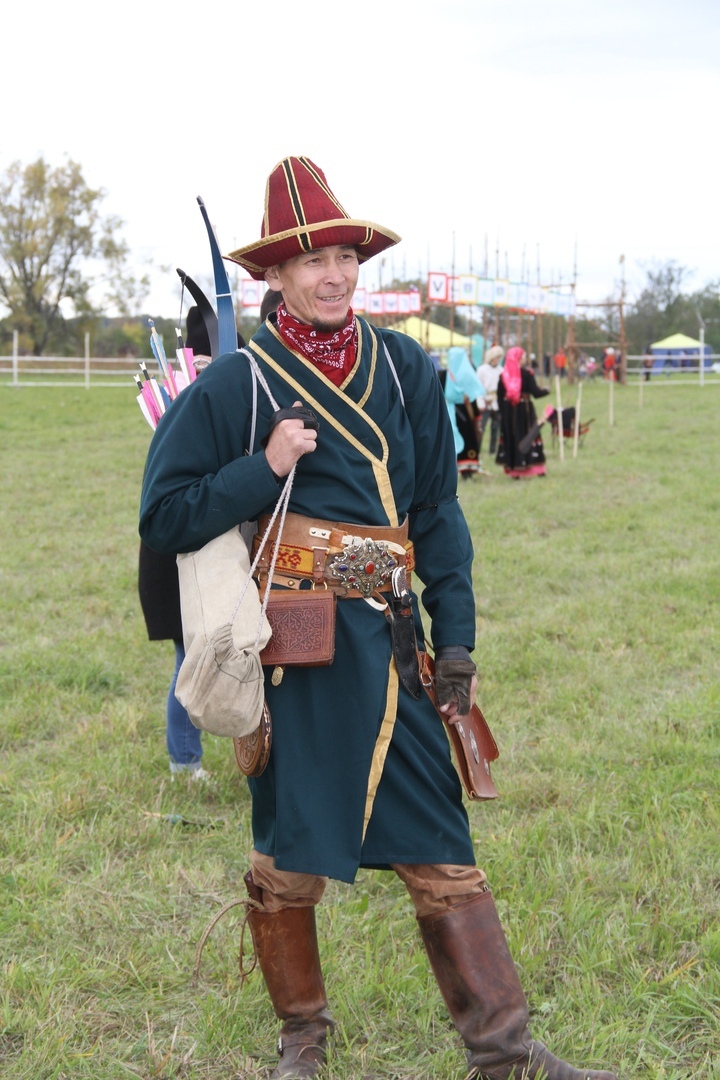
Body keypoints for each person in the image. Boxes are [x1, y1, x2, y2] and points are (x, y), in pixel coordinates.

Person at [139, 156, 617, 1080]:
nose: (334, 275)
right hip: (300, 655)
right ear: (273, 276)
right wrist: (262, 468)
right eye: (311, 259)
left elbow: (436, 510)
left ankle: (505, 1055)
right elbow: (166, 515)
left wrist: (460, 636)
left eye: (346, 256)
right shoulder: (237, 385)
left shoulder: (402, 368)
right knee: (287, 861)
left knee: (445, 852)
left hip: (395, 647)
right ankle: (302, 1041)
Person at [137, 306, 245, 781]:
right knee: (191, 661)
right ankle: (185, 760)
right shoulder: (185, 403)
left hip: (233, 546)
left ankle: (257, 754)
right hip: (179, 555)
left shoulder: (235, 391)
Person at [496, 346, 550, 479]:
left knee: (513, 436)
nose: (525, 359)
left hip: (509, 412)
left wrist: (502, 413)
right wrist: (547, 390)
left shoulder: (503, 375)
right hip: (524, 411)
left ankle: (515, 471)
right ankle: (536, 468)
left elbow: (499, 397)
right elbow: (536, 393)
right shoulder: (526, 374)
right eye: (524, 357)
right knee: (529, 435)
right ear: (518, 358)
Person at [443, 344, 486, 477]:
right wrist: (477, 415)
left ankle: (465, 469)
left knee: (465, 438)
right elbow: (471, 395)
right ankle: (463, 469)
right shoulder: (450, 374)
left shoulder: (448, 374)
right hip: (461, 412)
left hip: (455, 411)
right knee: (463, 438)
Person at [476, 344, 503, 457]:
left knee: (495, 427)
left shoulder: (501, 370)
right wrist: (481, 402)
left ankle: (492, 450)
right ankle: (477, 449)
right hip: (485, 401)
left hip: (496, 402)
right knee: (481, 427)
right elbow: (478, 387)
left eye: (499, 357)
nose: (497, 359)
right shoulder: (482, 370)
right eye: (496, 357)